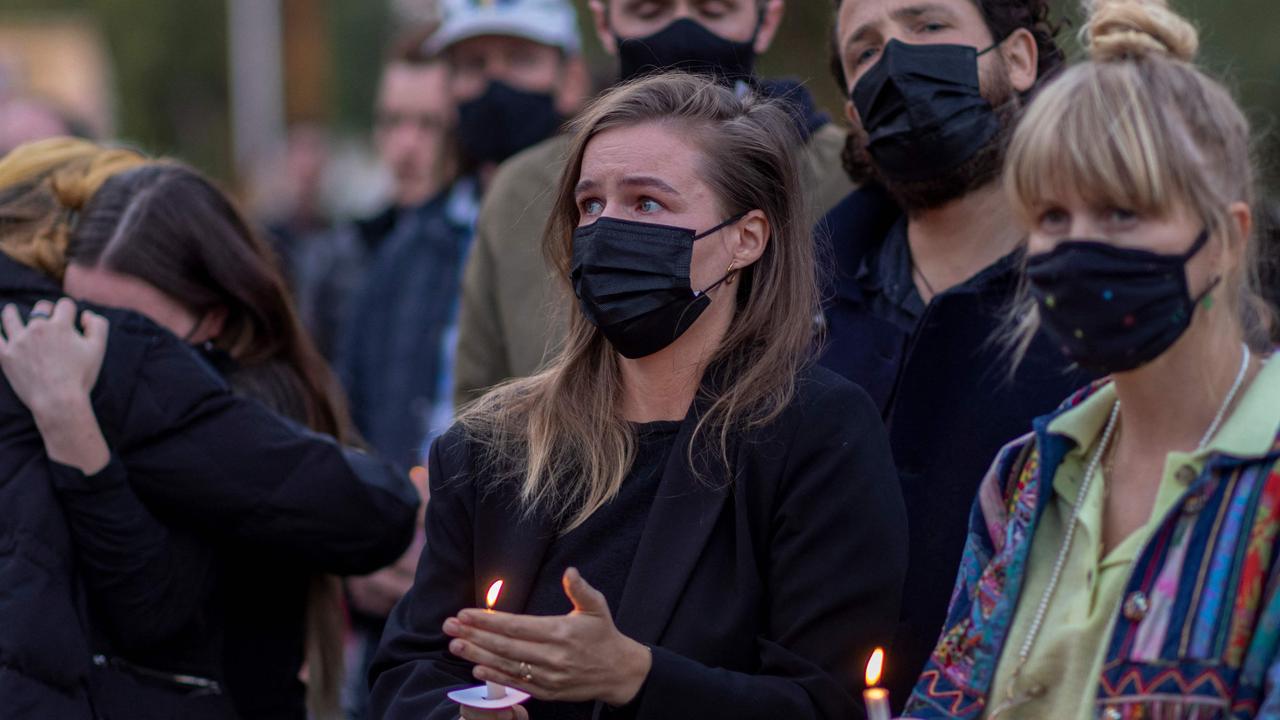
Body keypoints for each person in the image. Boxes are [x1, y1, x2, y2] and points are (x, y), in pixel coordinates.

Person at [370, 73, 907, 720]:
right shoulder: (492, 447)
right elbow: (410, 671)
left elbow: (830, 703)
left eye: (647, 204)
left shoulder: (817, 435)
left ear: (747, 237)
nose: (606, 229)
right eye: (590, 205)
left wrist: (636, 676)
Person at [906, 1, 1280, 717]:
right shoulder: (1027, 477)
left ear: (1227, 240)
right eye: (1051, 217)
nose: (1079, 246)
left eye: (1121, 211)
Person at [0, 138, 419, 719]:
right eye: (78, 313)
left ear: (214, 318)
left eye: (127, 330)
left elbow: (153, 604)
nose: (88, 345)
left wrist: (72, 426)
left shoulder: (236, 408)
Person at [821, 0, 1092, 702]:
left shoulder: (1115, 297)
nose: (898, 63)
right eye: (865, 52)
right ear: (853, 111)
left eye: (929, 27)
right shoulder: (782, 311)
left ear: (1020, 58)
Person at [452, 0, 854, 407]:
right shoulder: (523, 190)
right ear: (604, 22)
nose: (681, 32)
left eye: (713, 12)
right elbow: (478, 402)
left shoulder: (847, 173)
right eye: (648, 12)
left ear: (766, 19)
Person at [289, 29, 456, 362]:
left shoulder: (481, 252)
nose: (406, 145)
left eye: (429, 124)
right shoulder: (339, 260)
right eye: (392, 121)